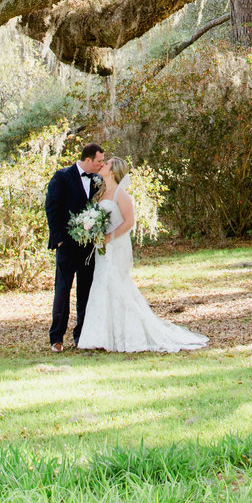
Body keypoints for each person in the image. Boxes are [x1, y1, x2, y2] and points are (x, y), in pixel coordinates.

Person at [78, 156, 208, 353]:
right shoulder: (102, 192)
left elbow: (129, 222)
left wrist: (108, 237)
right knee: (101, 283)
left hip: (116, 245)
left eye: (107, 164)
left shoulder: (121, 195)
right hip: (103, 248)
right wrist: (94, 231)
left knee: (117, 284)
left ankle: (128, 335)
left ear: (113, 171)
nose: (102, 165)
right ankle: (102, 337)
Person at [45, 141, 107, 352]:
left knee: (86, 291)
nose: (102, 164)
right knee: (62, 290)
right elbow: (51, 208)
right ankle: (56, 337)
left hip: (88, 248)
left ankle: (82, 335)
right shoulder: (62, 176)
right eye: (99, 161)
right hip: (67, 245)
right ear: (87, 160)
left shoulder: (98, 180)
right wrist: (59, 239)